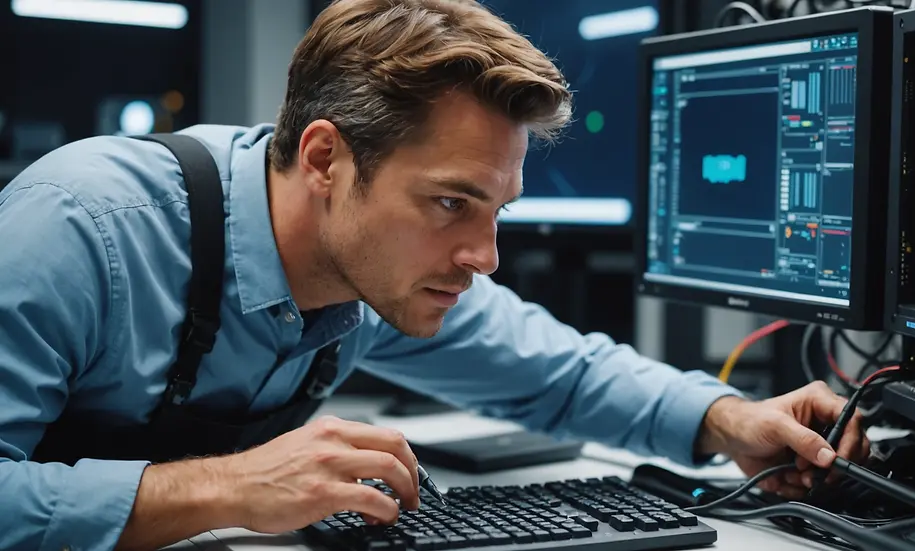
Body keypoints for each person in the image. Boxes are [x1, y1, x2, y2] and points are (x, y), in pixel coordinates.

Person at [0, 1, 867, 550]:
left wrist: (728, 419)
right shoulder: (82, 228)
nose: (484, 256)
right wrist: (230, 485)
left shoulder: (377, 267)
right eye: (451, 202)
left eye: (496, 211)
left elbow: (560, 372)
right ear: (326, 159)